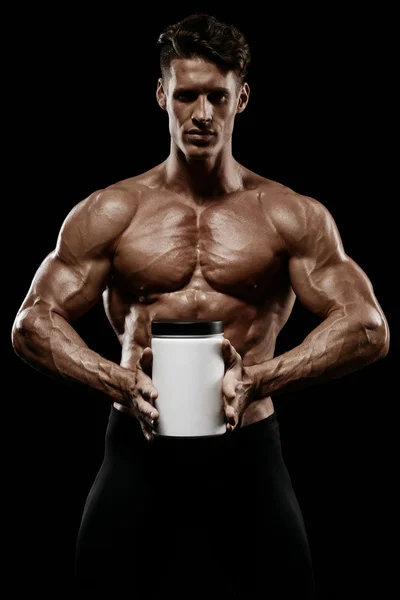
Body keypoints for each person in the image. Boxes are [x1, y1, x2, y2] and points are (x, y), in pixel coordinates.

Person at [11, 12, 389, 598]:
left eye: (218, 95)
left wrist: (261, 377)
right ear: (163, 95)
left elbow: (367, 327)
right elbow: (32, 322)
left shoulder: (287, 213)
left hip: (247, 452)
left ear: (242, 97)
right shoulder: (114, 211)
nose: (203, 114)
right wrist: (116, 382)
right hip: (139, 447)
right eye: (187, 95)